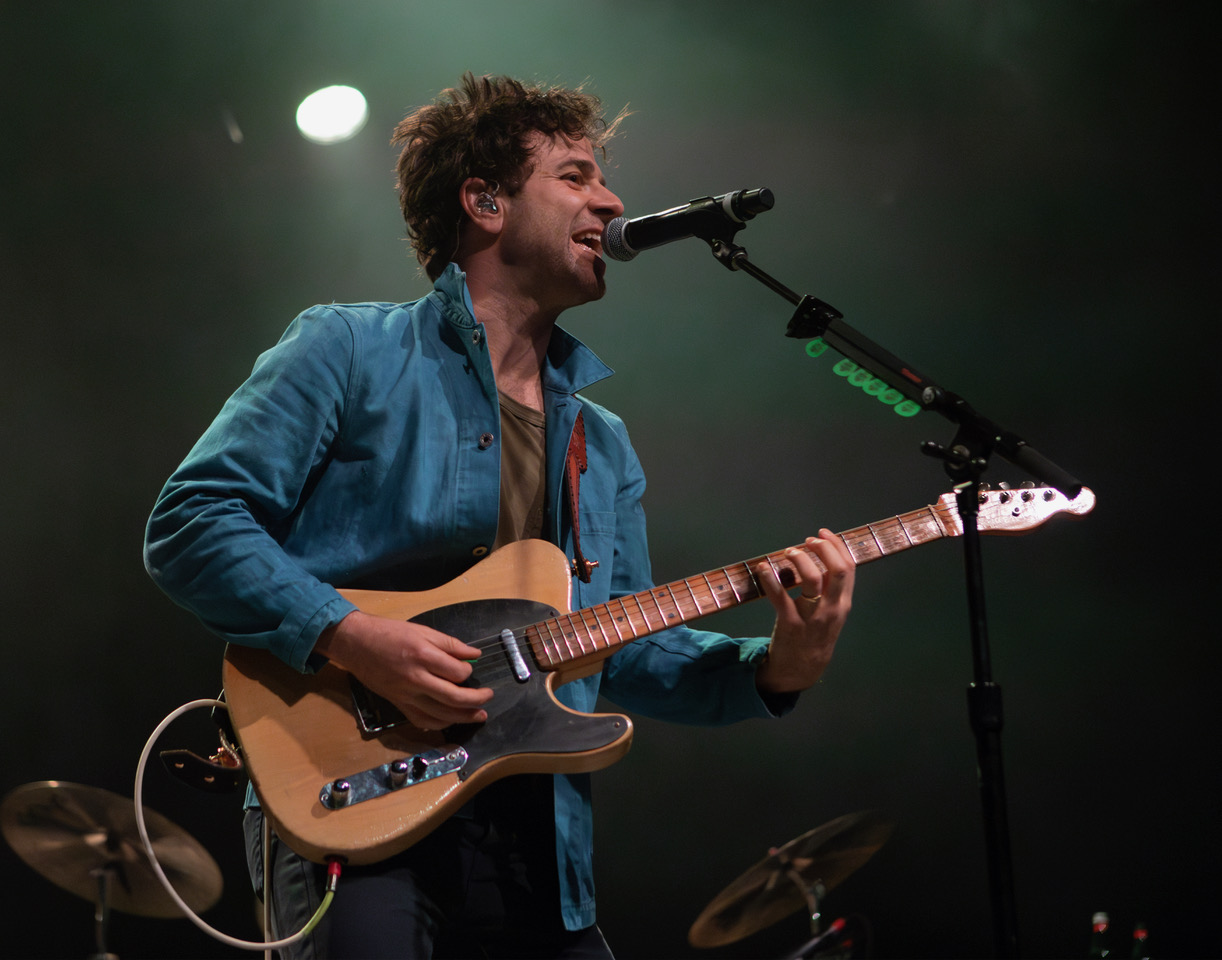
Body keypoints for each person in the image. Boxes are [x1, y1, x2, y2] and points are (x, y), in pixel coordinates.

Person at [144, 73, 856, 959]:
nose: (612, 202)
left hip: (536, 842)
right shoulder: (347, 348)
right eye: (576, 176)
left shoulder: (602, 443)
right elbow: (192, 521)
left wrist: (777, 668)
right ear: (485, 203)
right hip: (351, 805)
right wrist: (353, 637)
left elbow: (618, 646)